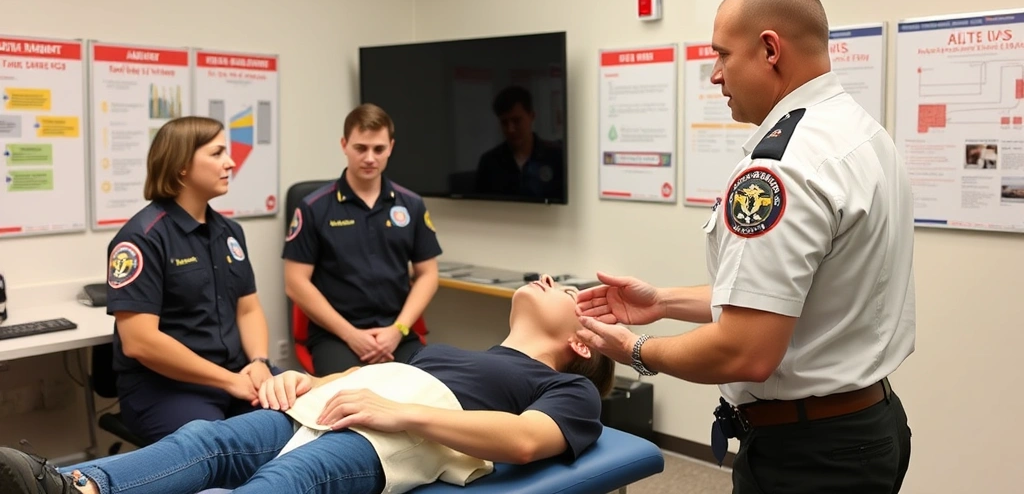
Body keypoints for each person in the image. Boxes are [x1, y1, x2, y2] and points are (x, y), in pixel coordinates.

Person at [575, 0, 915, 494]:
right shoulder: (862, 132)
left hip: (810, 457)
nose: (714, 75)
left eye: (722, 55)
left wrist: (637, 349)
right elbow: (784, 298)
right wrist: (662, 300)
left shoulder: (781, 168)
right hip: (869, 425)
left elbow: (744, 352)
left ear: (770, 50)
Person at [0, 276, 615, 494]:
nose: (547, 279)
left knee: (285, 482)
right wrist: (308, 377)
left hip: (395, 433)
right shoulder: (465, 352)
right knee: (203, 442)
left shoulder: (570, 390)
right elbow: (369, 376)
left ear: (581, 344)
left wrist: (401, 415)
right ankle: (77, 488)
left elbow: (527, 441)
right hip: (340, 400)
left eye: (562, 290)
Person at [100, 116, 276, 443]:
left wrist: (259, 362)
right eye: (217, 153)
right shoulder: (141, 238)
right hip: (166, 391)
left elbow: (248, 309)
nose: (231, 161)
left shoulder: (229, 232)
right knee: (223, 452)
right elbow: (140, 342)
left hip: (237, 376)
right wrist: (228, 380)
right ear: (182, 166)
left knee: (309, 420)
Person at [283, 104, 441, 375]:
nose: (370, 158)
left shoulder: (411, 205)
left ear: (391, 147)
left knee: (429, 393)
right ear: (344, 145)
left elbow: (428, 275)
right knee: (349, 401)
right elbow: (295, 283)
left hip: (396, 332)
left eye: (378, 149)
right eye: (360, 148)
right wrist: (351, 335)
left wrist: (398, 329)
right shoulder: (313, 207)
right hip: (336, 336)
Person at [474, 85, 565, 201]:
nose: (510, 129)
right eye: (504, 123)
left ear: (532, 116)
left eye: (516, 121)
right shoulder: (489, 162)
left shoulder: (556, 157)